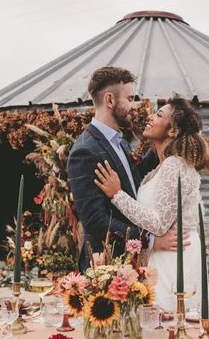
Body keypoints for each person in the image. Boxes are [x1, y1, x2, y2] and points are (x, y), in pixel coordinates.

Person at [95, 96, 209, 311]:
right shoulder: (157, 170)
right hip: (162, 255)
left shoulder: (174, 165)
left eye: (159, 115)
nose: (150, 116)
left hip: (176, 256)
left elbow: (160, 223)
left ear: (173, 131)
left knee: (172, 322)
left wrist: (117, 195)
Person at [67, 66, 189, 272]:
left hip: (131, 265)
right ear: (110, 100)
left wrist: (166, 134)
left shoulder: (119, 141)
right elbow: (94, 220)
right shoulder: (85, 152)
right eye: (130, 98)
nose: (134, 106)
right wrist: (149, 240)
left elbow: (134, 175)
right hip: (107, 266)